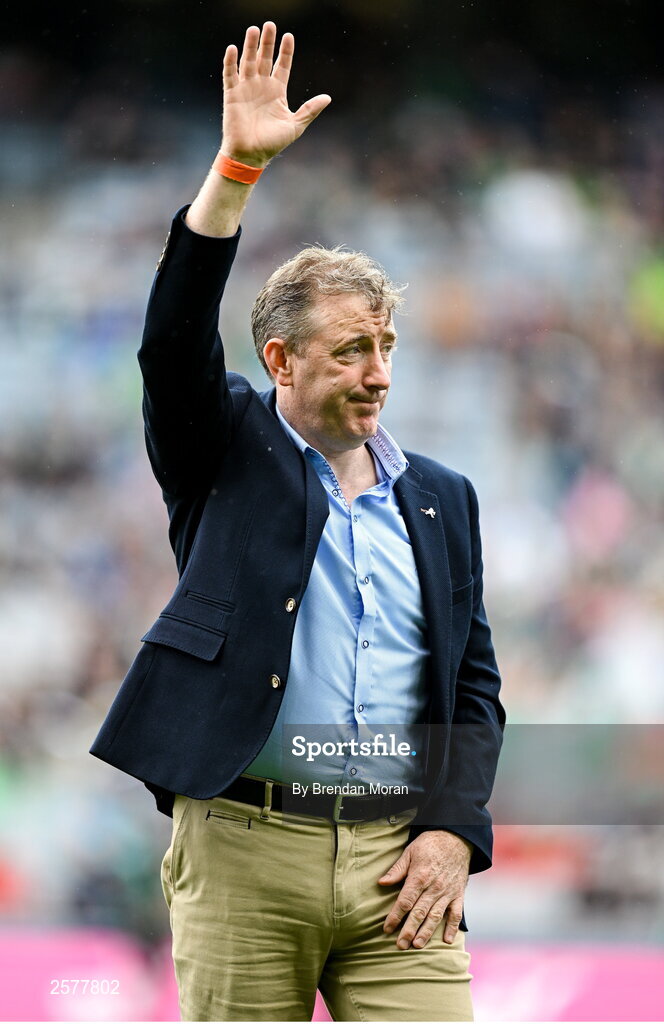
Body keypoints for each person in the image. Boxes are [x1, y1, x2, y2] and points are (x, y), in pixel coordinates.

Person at [91, 21, 505, 1023]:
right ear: (279, 360)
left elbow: (472, 689)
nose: (380, 373)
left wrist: (453, 830)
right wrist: (235, 171)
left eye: (388, 344)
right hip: (245, 849)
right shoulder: (223, 450)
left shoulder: (442, 494)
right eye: (353, 349)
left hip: (397, 863)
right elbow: (171, 344)